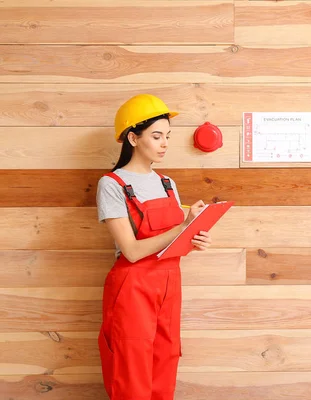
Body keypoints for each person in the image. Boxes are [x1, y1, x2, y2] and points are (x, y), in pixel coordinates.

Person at [96, 93, 212, 399]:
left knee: (165, 359)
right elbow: (132, 251)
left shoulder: (167, 183)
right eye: (156, 136)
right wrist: (182, 226)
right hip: (133, 286)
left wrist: (193, 237)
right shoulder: (112, 184)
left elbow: (173, 241)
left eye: (168, 137)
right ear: (133, 138)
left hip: (169, 282)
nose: (164, 144)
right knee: (131, 367)